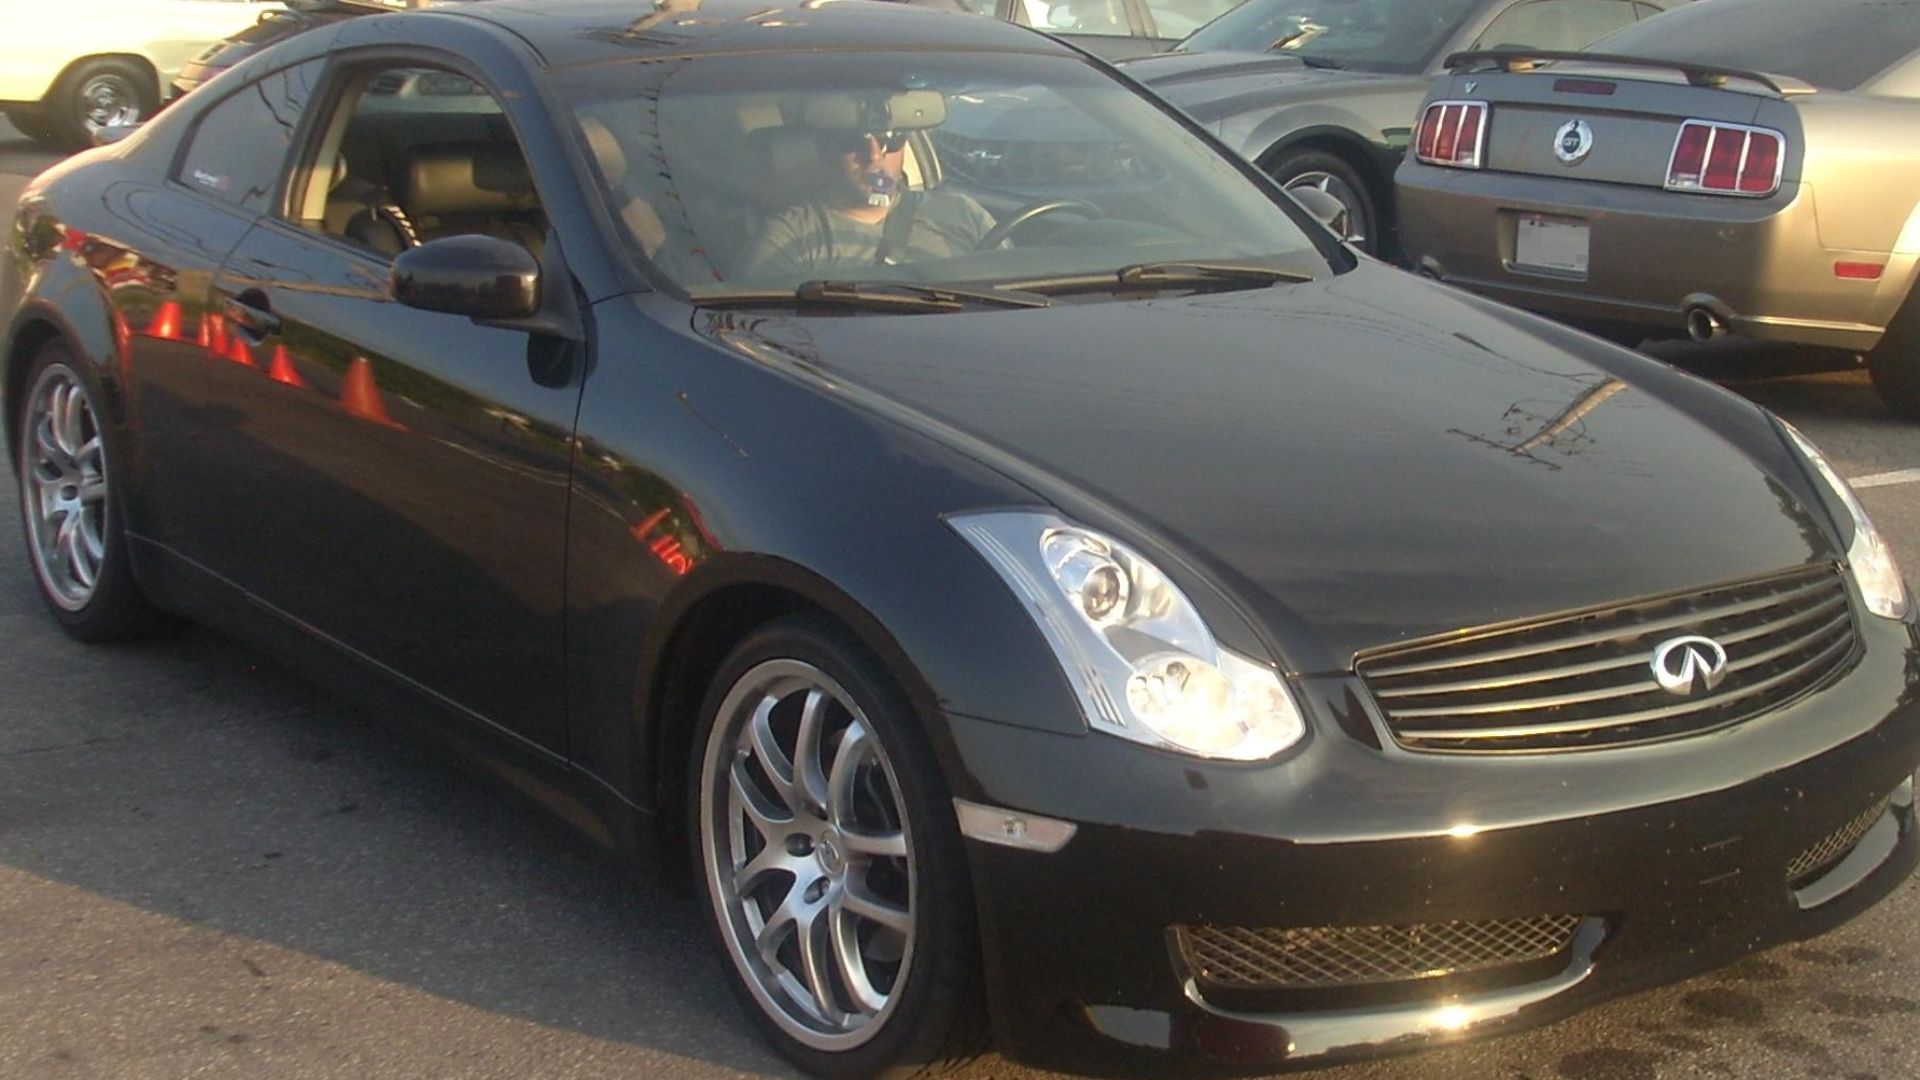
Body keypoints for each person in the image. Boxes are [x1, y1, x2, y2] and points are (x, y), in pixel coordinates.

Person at [741, 122, 997, 280]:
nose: (874, 156)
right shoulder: (790, 237)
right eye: (853, 142)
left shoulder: (963, 212)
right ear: (825, 151)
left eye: (890, 139)